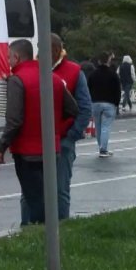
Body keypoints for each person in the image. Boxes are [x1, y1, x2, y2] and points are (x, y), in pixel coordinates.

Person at [0, 40, 77, 226]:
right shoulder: (52, 78)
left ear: (16, 57)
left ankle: (42, 234)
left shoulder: (17, 80)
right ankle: (52, 232)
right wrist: (56, 127)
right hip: (51, 149)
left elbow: (14, 120)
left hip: (26, 152)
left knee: (34, 197)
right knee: (48, 194)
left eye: (9, 57)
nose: (8, 62)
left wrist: (1, 147)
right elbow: (73, 109)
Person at [50, 34, 91, 220]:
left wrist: (72, 135)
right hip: (38, 140)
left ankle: (61, 226)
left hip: (63, 139)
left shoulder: (74, 71)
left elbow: (85, 107)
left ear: (57, 50)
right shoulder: (35, 69)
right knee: (32, 192)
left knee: (60, 189)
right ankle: (32, 228)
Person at [87, 53, 121, 158]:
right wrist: (116, 103)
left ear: (98, 61)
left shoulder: (93, 74)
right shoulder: (113, 74)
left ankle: (101, 147)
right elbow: (117, 90)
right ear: (108, 61)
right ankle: (103, 149)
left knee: (98, 127)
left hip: (95, 103)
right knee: (105, 127)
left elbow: (88, 89)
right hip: (109, 103)